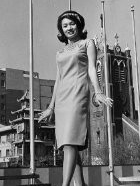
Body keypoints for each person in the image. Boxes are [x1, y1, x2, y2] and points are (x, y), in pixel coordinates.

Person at [38, 10, 113, 186]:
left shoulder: (88, 43)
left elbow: (92, 69)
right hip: (62, 99)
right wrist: (51, 107)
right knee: (67, 145)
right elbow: (58, 80)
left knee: (71, 142)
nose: (69, 28)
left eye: (72, 23)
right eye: (65, 25)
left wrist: (98, 91)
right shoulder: (60, 52)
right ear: (61, 30)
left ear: (79, 24)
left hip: (78, 93)